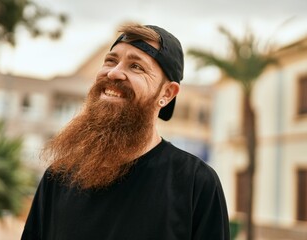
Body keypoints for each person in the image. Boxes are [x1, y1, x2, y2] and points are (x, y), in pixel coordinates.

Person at [21, 23, 230, 240]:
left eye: (136, 66)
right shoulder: (59, 177)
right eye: (111, 60)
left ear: (167, 93)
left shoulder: (195, 184)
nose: (114, 72)